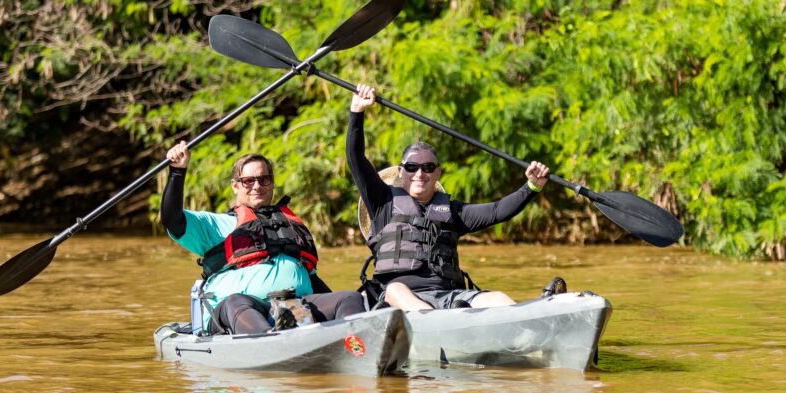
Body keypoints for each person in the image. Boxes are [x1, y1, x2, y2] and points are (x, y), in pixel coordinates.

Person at [347, 83, 551, 310]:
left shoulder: (452, 212)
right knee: (396, 290)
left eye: (427, 167)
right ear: (401, 171)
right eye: (412, 166)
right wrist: (357, 111)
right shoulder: (381, 202)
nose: (420, 174)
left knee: (497, 298)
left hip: (450, 296)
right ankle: (435, 321)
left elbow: (498, 210)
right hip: (398, 300)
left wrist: (532, 186)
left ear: (438, 172)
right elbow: (355, 157)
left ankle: (533, 322)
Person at [161, 141, 365, 334]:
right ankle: (268, 338)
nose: (257, 186)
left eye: (264, 179)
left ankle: (354, 341)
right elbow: (172, 219)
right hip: (238, 312)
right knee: (236, 302)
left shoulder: (289, 227)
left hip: (292, 306)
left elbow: (311, 277)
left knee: (350, 298)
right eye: (248, 181)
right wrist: (177, 171)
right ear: (235, 185)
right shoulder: (215, 224)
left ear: (272, 183)